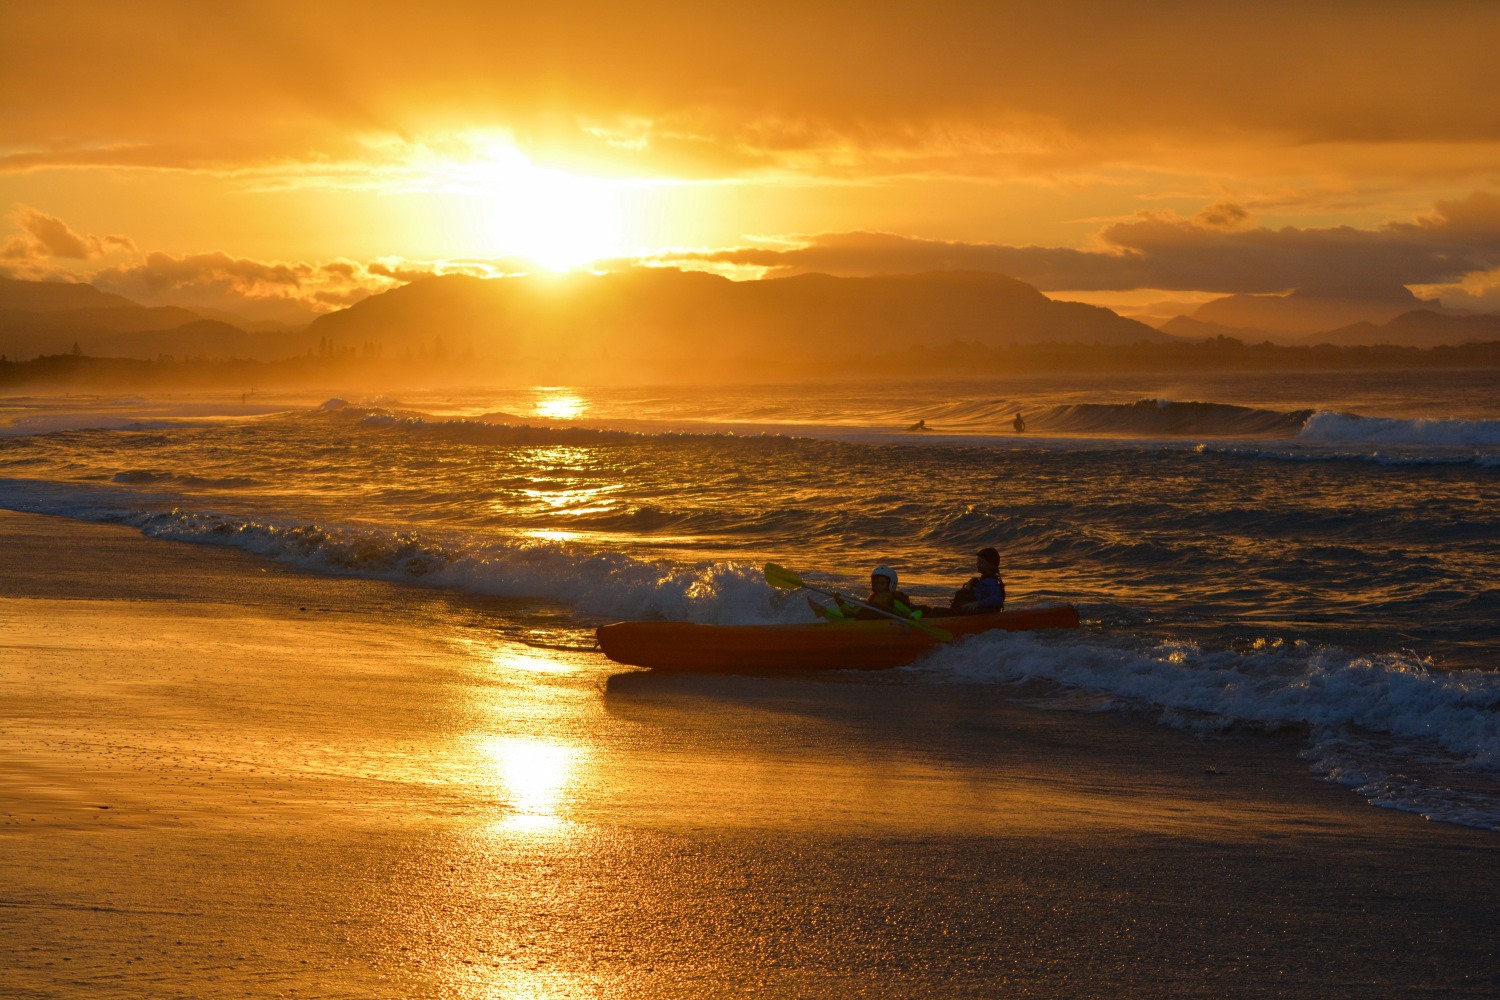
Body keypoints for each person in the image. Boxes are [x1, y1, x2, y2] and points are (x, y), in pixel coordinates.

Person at [813, 566, 918, 620]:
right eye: (876, 583)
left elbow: (909, 612)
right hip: (874, 625)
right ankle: (824, 611)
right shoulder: (873, 598)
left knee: (852, 619)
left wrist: (912, 618)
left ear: (891, 584)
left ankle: (824, 612)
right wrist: (841, 603)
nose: (878, 586)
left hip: (890, 626)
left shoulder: (894, 599)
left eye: (882, 583)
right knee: (853, 615)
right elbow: (855, 612)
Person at [951, 547, 1006, 613]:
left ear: (991, 565)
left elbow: (998, 599)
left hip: (978, 615)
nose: (977, 564)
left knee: (936, 611)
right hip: (968, 613)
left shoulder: (991, 581)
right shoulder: (982, 580)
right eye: (977, 561)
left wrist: (977, 603)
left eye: (981, 562)